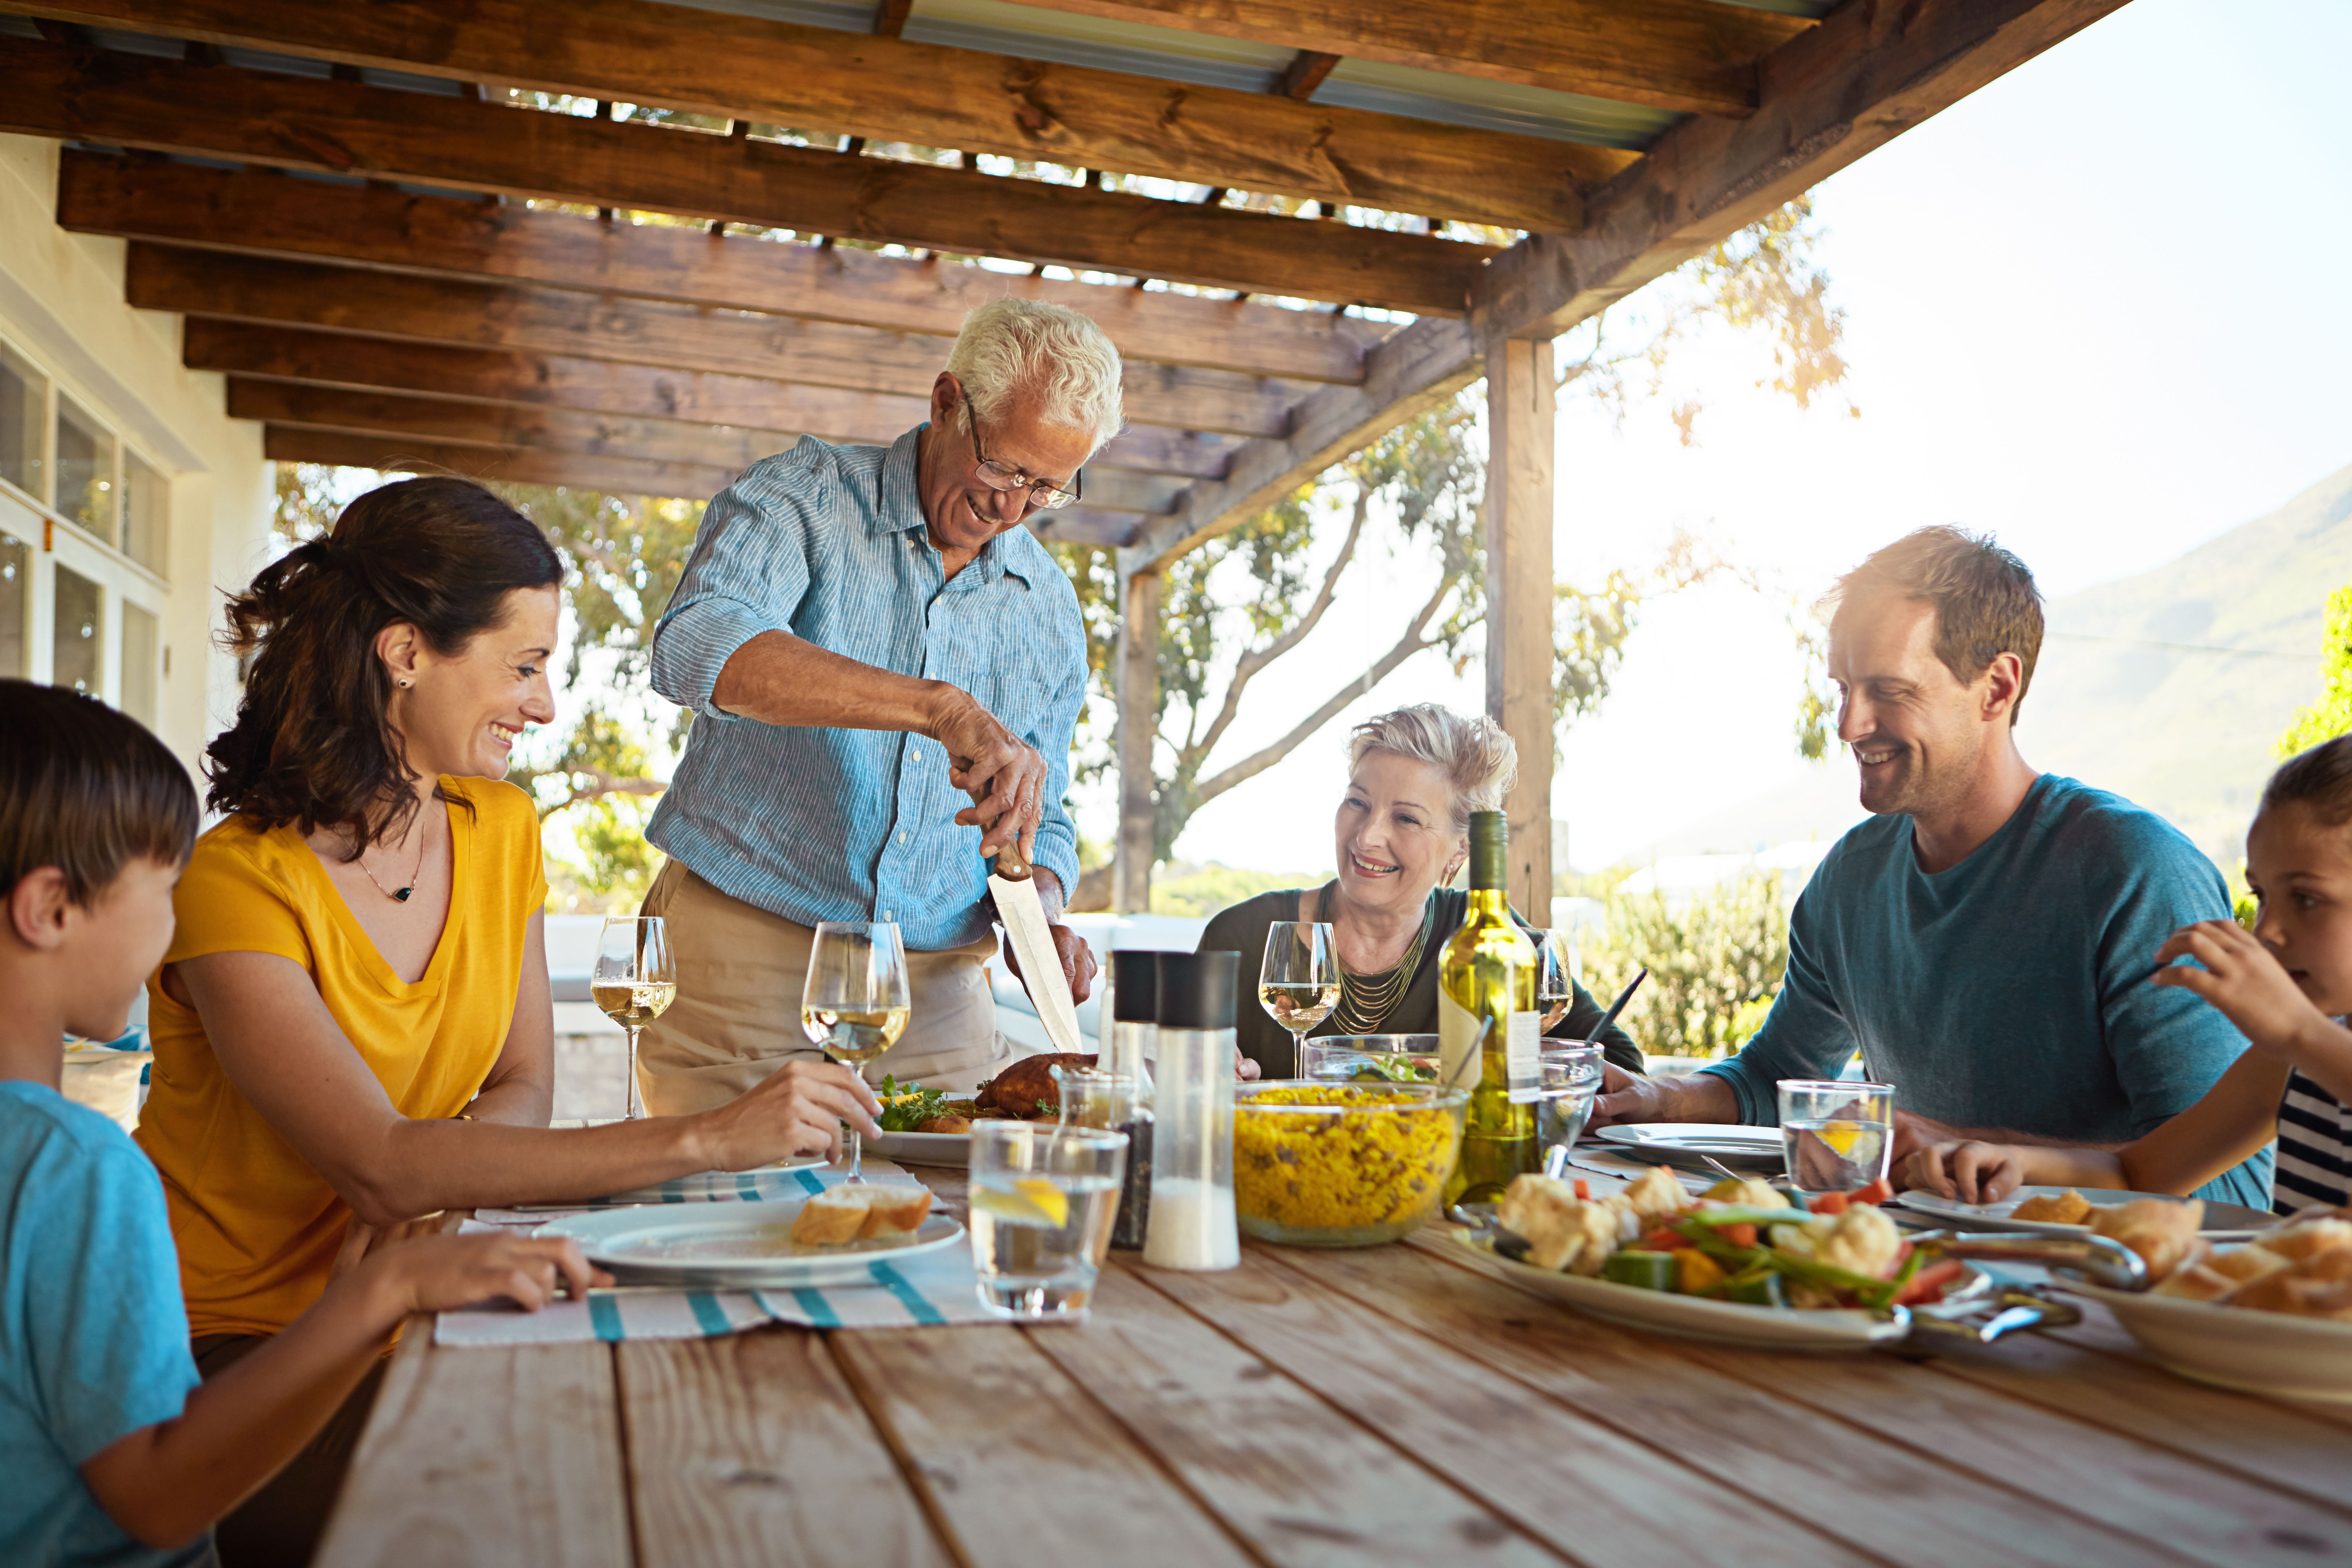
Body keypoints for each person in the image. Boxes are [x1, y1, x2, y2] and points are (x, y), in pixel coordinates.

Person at [138, 479, 878, 1564]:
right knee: (522, 1514)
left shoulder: (501, 828)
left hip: (425, 1291)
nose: (543, 706)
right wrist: (705, 1138)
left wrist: (440, 1192)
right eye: (524, 665)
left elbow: (522, 1081)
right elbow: (383, 1167)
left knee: (707, 1452)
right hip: (235, 1343)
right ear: (405, 653)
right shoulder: (235, 882)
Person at [0, 681, 603, 1568]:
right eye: (165, 887)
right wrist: (383, 1291)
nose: (176, 924)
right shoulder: (77, 1169)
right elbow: (159, 1497)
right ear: (52, 909)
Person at [1592, 527, 2270, 1209]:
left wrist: (1953, 1143)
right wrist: (1657, 1095)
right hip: (1916, 1279)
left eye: (1888, 690)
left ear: (1997, 689)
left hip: (2098, 1294)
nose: (1849, 724)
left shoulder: (2137, 874)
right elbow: (1774, 1079)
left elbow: (2231, 1187)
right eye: (1844, 687)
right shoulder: (1849, 882)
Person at [637, 297, 1114, 1110]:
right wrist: (935, 707)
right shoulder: (806, 497)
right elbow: (696, 647)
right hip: (745, 957)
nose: (1011, 508)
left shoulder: (1048, 604)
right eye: (1001, 467)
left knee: (950, 1223)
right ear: (945, 403)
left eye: (1046, 488)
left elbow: (1048, 807)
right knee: (733, 1218)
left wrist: (1044, 904)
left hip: (934, 995)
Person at [1900, 738, 2352, 1214]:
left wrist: (2299, 1032)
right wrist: (2013, 1162)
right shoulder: (2289, 1062)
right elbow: (2138, 1173)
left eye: (2306, 899)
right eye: (2261, 897)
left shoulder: (2302, 1046)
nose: (2268, 933)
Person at [1199, 705, 1641, 1079]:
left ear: (1460, 848)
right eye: (1358, 802)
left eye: (1406, 819)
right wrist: (1208, 1083)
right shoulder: (1241, 938)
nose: (1368, 836)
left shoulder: (1485, 940)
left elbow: (1620, 1064)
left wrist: (1514, 1065)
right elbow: (1166, 1083)